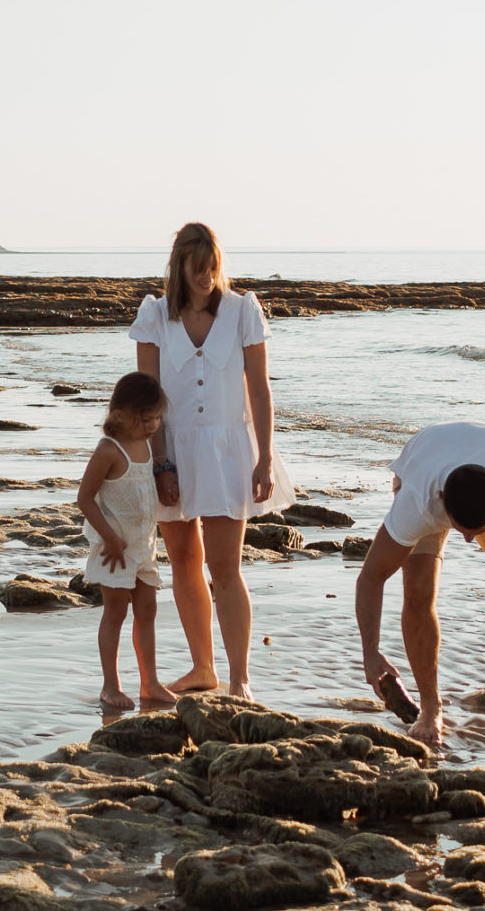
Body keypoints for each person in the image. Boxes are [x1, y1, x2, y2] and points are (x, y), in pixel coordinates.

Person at [132, 221, 286, 697]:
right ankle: (203, 668)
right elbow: (148, 399)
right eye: (198, 269)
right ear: (179, 267)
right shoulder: (156, 316)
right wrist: (161, 464)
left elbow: (259, 389)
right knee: (183, 560)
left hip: (228, 452)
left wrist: (263, 457)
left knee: (225, 567)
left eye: (214, 268)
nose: (207, 278)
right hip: (173, 447)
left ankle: (240, 678)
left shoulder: (243, 310)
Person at [355, 419, 485, 745]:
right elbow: (371, 577)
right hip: (425, 458)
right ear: (442, 499)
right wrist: (371, 653)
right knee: (418, 589)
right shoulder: (417, 502)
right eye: (462, 529)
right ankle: (430, 710)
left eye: (478, 530)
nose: (469, 540)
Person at [76, 371, 176, 711]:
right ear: (119, 414)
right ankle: (110, 685)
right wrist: (110, 538)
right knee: (115, 613)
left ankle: (150, 682)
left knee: (147, 611)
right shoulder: (109, 450)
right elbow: (85, 498)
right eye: (145, 419)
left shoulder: (145, 443)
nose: (153, 425)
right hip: (114, 549)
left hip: (144, 546)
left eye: (157, 418)